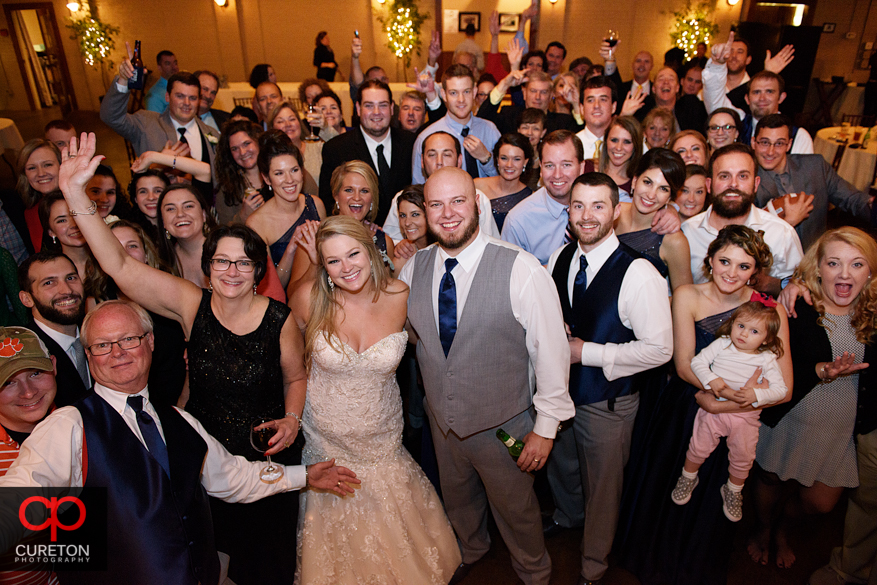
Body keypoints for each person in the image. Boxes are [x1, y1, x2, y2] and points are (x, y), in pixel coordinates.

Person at [58, 132, 315, 583]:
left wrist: (293, 420)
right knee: (205, 562)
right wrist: (75, 193)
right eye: (221, 261)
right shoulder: (191, 304)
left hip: (265, 457)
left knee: (269, 567)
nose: (231, 271)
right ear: (208, 267)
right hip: (202, 460)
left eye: (243, 263)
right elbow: (119, 265)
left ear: (258, 271)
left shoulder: (281, 319)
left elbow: (296, 379)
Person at [0, 300, 358, 585]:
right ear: (89, 356)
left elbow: (233, 477)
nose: (117, 352)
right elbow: (14, 505)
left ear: (150, 342)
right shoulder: (69, 426)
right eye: (103, 345)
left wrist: (305, 476)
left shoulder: (179, 419)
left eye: (129, 339)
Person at [399, 166, 575, 585]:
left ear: (476, 203)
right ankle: (473, 552)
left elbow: (551, 353)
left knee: (517, 513)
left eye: (457, 201)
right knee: (459, 504)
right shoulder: (412, 270)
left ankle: (535, 572)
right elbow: (407, 337)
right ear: (424, 211)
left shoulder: (522, 269)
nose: (447, 214)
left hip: (504, 426)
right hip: (444, 426)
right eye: (435, 205)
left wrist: (546, 428)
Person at [615, 225, 792, 585]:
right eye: (725, 261)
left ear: (755, 271)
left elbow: (785, 388)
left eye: (744, 266)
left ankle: (693, 566)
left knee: (716, 495)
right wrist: (730, 396)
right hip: (685, 406)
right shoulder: (686, 295)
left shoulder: (770, 312)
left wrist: (726, 405)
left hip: (738, 416)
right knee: (670, 483)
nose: (731, 272)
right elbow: (683, 365)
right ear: (709, 260)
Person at [286, 216, 460, 582]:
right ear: (323, 265)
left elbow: (439, 343)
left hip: (382, 438)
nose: (346, 268)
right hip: (327, 440)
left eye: (353, 254)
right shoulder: (308, 299)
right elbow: (288, 366)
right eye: (333, 261)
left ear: (370, 249)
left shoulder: (401, 296)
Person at [545, 172, 673, 585]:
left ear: (616, 212)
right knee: (561, 469)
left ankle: (593, 566)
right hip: (560, 395)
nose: (587, 215)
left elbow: (660, 350)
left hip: (608, 403)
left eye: (598, 205)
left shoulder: (640, 273)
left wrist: (587, 352)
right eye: (578, 205)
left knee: (602, 489)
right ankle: (567, 518)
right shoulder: (560, 257)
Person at [749, 227, 876, 569]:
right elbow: (769, 368)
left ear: (870, 272)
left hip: (839, 429)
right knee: (771, 479)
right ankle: (763, 529)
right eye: (834, 263)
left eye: (857, 264)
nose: (845, 274)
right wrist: (822, 370)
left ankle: (782, 529)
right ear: (818, 268)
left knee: (820, 503)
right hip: (790, 417)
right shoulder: (797, 306)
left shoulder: (874, 315)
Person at [672, 300, 788, 522]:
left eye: (754, 331)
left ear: (766, 338)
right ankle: (688, 477)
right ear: (732, 324)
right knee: (698, 445)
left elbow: (781, 390)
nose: (744, 334)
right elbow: (698, 363)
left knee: (743, 456)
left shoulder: (767, 358)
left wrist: (757, 395)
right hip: (713, 411)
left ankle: (733, 490)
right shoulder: (722, 344)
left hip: (745, 417)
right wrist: (711, 380)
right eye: (741, 326)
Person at [682, 144, 804, 297]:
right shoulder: (686, 233)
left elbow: (799, 288)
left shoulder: (781, 233)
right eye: (724, 176)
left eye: (743, 176)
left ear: (756, 184)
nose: (733, 184)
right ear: (709, 184)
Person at [753, 114, 872, 251]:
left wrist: (872, 205)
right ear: (753, 142)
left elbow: (853, 199)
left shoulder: (815, 166)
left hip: (815, 258)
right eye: (764, 142)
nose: (770, 151)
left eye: (779, 143)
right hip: (773, 263)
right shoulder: (746, 180)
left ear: (789, 145)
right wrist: (789, 222)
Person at [107, 219, 187, 408]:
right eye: (115, 246)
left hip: (178, 407)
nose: (124, 254)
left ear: (145, 255)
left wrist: (181, 407)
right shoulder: (97, 302)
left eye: (132, 246)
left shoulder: (172, 297)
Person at [0, 325, 58, 585]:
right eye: (8, 382)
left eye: (36, 372)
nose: (28, 392)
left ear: (53, 365)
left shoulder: (77, 425)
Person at [102, 48, 220, 169]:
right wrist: (123, 81)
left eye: (193, 98)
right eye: (180, 96)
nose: (187, 103)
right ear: (167, 97)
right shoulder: (146, 124)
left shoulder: (212, 134)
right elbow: (112, 117)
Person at [320, 79, 416, 225]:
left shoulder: (411, 143)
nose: (376, 112)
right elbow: (328, 202)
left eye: (382, 105)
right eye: (369, 106)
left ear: (391, 108)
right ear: (358, 109)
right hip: (357, 236)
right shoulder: (336, 149)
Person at [382, 131, 500, 243]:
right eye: (432, 155)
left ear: (459, 160)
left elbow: (491, 242)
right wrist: (403, 245)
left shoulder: (476, 196)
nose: (439, 161)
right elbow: (390, 241)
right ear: (422, 161)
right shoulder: (404, 198)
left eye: (447, 154)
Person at [246, 131, 325, 289]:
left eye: (294, 170)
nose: (290, 180)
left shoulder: (316, 204)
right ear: (267, 179)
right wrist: (291, 248)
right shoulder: (257, 224)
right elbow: (271, 288)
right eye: (279, 173)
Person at [17, 251, 91, 407]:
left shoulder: (100, 334)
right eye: (49, 283)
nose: (67, 290)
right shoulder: (22, 355)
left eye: (71, 278)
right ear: (27, 299)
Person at [615, 148, 693, 291]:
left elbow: (684, 299)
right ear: (634, 181)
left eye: (663, 189)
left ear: (670, 197)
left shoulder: (674, 241)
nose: (651, 195)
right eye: (647, 182)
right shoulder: (612, 213)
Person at [413, 64, 501, 184]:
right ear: (444, 95)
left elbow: (506, 182)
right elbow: (418, 187)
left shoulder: (490, 130)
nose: (461, 99)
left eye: (466, 92)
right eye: (454, 93)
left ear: (474, 92)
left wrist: (486, 159)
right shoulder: (427, 137)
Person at [155, 185, 217, 287]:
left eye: (188, 206)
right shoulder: (162, 263)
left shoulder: (225, 252)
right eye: (171, 209)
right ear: (163, 222)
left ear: (204, 215)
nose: (180, 214)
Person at [473, 132, 533, 231]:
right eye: (504, 158)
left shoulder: (530, 198)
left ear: (525, 162)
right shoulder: (477, 186)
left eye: (516, 159)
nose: (509, 165)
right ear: (497, 159)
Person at [214, 120, 265, 225]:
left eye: (246, 144)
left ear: (258, 142)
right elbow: (223, 234)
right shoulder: (226, 191)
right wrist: (243, 216)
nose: (242, 152)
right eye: (235, 149)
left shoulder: (282, 174)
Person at [14, 139, 61, 251]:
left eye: (47, 165)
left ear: (61, 165)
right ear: (25, 175)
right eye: (32, 168)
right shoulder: (31, 213)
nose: (41, 174)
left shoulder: (81, 203)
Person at [588, 115, 642, 201]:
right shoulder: (586, 167)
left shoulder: (638, 183)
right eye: (614, 140)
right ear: (606, 141)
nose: (619, 147)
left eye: (626, 142)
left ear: (635, 146)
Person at [575, 76, 617, 160]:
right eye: (590, 100)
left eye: (603, 99)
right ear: (581, 108)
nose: (596, 105)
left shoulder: (628, 145)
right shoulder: (571, 145)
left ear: (613, 107)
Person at [392, 185, 430, 273]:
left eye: (415, 214)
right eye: (403, 215)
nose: (407, 223)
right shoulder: (403, 256)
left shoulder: (446, 249)